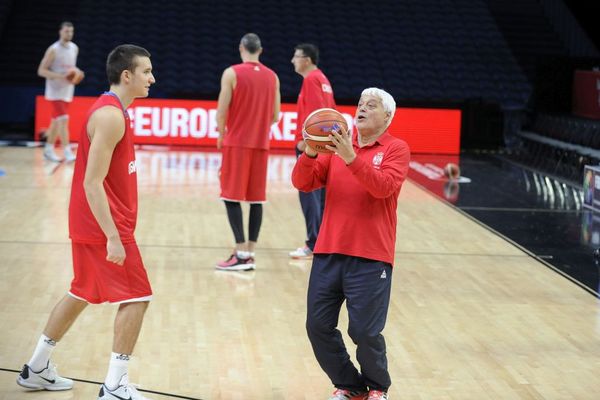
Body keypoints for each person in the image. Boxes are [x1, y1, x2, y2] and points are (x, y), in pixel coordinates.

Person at [17, 44, 156, 400]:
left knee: (81, 291)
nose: (152, 79)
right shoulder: (109, 115)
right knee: (138, 297)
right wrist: (113, 235)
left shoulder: (117, 112)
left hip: (91, 222)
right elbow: (91, 182)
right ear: (127, 75)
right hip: (103, 226)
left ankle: (37, 367)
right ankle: (114, 385)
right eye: (146, 72)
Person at [292, 88, 411, 400]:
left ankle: (378, 388)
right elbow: (302, 182)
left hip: (371, 256)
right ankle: (350, 385)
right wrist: (311, 152)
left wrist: (350, 157)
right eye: (359, 104)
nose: (361, 109)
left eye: (370, 106)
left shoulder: (397, 149)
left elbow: (383, 187)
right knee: (317, 326)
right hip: (329, 252)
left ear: (387, 116)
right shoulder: (334, 149)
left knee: (365, 332)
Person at [215, 33, 280, 271]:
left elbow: (222, 110)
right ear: (260, 50)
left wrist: (221, 134)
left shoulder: (231, 73)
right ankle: (249, 253)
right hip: (261, 145)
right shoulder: (272, 76)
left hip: (237, 143)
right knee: (256, 200)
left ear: (241, 48)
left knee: (231, 196)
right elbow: (275, 115)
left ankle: (240, 253)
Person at [289, 43, 335, 260]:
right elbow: (330, 113)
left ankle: (313, 243)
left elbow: (317, 114)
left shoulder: (311, 79)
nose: (292, 60)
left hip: (313, 147)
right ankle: (323, 242)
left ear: (306, 59)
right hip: (326, 145)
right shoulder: (323, 79)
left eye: (296, 57)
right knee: (322, 196)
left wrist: (306, 143)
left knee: (308, 192)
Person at [37, 21, 81, 162]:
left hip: (67, 89)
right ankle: (67, 152)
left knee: (56, 122)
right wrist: (60, 76)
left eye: (71, 31)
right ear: (60, 32)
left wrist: (77, 73)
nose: (69, 34)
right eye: (66, 31)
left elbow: (71, 69)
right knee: (63, 120)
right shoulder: (53, 49)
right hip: (55, 89)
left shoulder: (74, 48)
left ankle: (48, 150)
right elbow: (41, 71)